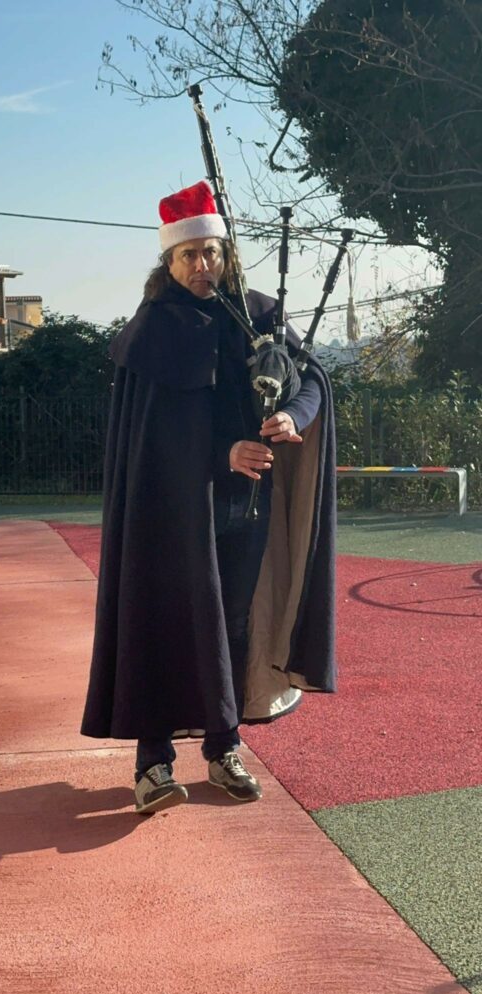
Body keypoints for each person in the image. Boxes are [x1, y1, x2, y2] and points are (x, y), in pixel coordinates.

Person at [81, 180, 337, 814]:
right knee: (163, 620)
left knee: (235, 623)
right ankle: (153, 763)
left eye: (212, 253)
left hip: (243, 509)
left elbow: (310, 377)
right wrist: (222, 453)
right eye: (189, 255)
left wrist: (294, 416)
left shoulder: (257, 316)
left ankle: (224, 747)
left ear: (227, 255)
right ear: (169, 261)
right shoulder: (152, 330)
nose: (202, 265)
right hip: (168, 511)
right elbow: (152, 436)